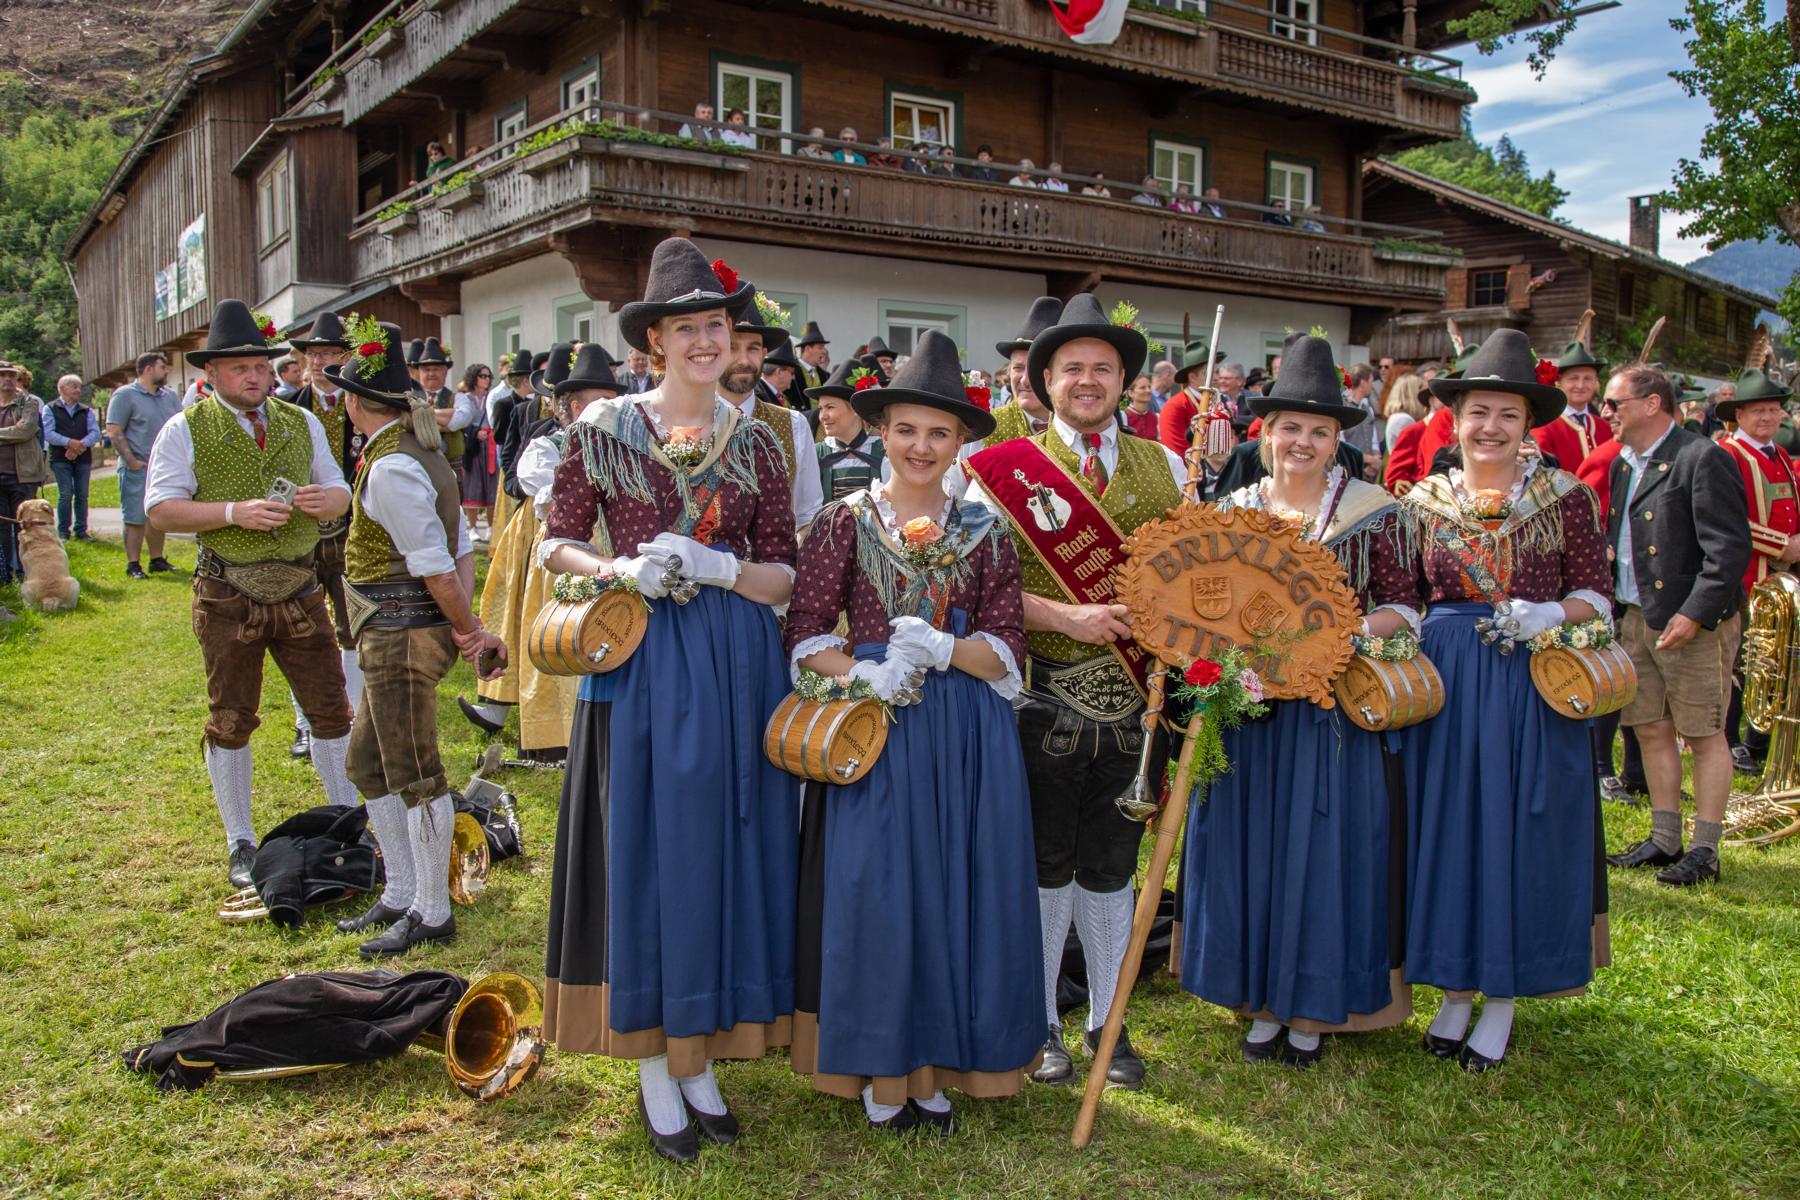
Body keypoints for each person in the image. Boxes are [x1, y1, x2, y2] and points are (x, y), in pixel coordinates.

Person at [538, 239, 800, 1162]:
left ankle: (700, 1058)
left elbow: (784, 574)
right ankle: (655, 1061)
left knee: (727, 851)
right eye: (683, 328)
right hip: (641, 656)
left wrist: (721, 567)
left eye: (715, 325)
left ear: (734, 335)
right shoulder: (603, 429)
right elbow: (554, 543)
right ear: (652, 340)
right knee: (651, 853)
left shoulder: (761, 440)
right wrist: (616, 568)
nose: (702, 341)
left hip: (737, 663)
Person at [786, 330, 1040, 1131]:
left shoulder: (988, 530)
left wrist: (942, 648)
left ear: (961, 441)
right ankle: (881, 1065)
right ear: (882, 432)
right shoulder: (842, 521)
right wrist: (862, 674)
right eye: (905, 430)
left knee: (954, 889)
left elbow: (1007, 652)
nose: (920, 447)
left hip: (964, 735)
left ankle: (935, 1062)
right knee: (880, 893)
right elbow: (804, 632)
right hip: (875, 732)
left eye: (939, 432)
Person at [964, 293, 1188, 1091]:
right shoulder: (995, 470)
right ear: (1044, 380)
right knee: (1044, 864)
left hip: (1138, 703)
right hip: (1039, 697)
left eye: (1102, 368)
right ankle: (1043, 1021)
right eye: (1071, 369)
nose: (1087, 381)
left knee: (1112, 866)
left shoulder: (1168, 467)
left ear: (1124, 381)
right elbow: (977, 586)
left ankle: (1106, 1020)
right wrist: (1065, 614)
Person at [1182, 336, 1420, 1067]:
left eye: (1319, 430)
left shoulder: (1374, 512)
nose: (1303, 442)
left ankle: (1311, 1006)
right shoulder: (1232, 509)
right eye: (1291, 427)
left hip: (1328, 715)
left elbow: (1405, 608)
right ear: (1266, 432)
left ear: (1337, 439)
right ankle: (1256, 998)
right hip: (1249, 715)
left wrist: (1336, 638)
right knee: (1249, 847)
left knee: (1322, 854)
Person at [1400, 330, 1613, 1071]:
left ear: (1528, 426)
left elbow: (1598, 595)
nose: (1490, 427)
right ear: (1455, 419)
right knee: (1448, 829)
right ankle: (1455, 987)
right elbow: (1403, 597)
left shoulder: (1566, 498)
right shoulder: (1421, 501)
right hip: (1447, 683)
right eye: (1478, 412)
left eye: (1507, 415)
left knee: (1518, 828)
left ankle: (1504, 997)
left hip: (1532, 678)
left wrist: (1548, 612)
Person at [143, 300, 359, 886]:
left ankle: (345, 821)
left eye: (261, 366)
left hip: (301, 587)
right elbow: (160, 509)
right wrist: (232, 512)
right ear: (211, 373)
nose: (256, 377)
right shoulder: (183, 428)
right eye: (241, 368)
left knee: (331, 710)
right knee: (231, 716)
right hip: (226, 592)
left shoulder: (300, 421)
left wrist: (326, 500)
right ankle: (239, 840)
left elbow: (340, 489)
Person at [324, 320, 505, 957]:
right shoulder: (414, 453)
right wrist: (461, 626)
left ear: (355, 403)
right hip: (394, 633)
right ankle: (402, 891)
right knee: (368, 765)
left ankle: (432, 911)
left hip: (400, 637)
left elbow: (438, 565)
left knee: (417, 773)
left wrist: (467, 629)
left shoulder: (394, 466)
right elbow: (458, 552)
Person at [1601, 365, 1751, 886]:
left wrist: (1694, 612)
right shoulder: (1624, 463)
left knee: (1704, 733)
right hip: (1637, 615)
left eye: (1615, 403)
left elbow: (1729, 549)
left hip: (1694, 622)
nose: (1606, 413)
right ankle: (1666, 839)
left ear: (1651, 404)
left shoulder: (1702, 457)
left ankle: (1705, 850)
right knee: (1648, 727)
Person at [463, 342, 599, 763]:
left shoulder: (619, 443)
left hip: (599, 548)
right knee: (533, 620)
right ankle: (532, 719)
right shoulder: (542, 434)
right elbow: (525, 475)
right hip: (546, 535)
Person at [285, 311, 363, 759]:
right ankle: (304, 724)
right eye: (313, 354)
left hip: (352, 529)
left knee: (351, 623)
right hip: (300, 530)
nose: (319, 362)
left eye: (329, 353)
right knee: (298, 627)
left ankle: (352, 718)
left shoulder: (362, 403)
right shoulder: (289, 407)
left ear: (345, 357)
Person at [1715, 367, 1800, 775]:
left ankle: (1758, 739)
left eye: (1772, 410)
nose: (1767, 417)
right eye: (1758, 411)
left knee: (1775, 657)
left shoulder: (1779, 453)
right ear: (1740, 415)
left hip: (1781, 579)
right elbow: (1728, 519)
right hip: (1744, 575)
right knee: (1741, 659)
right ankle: (1730, 742)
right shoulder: (1727, 454)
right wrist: (1783, 545)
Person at [724, 292, 822, 528]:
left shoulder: (794, 425)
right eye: (732, 347)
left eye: (753, 348)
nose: (743, 360)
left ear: (764, 353)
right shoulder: (687, 420)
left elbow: (808, 515)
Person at [106, 351, 183, 579]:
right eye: (162, 367)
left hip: (163, 468)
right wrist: (131, 461)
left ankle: (156, 559)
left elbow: (180, 426)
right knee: (135, 517)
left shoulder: (169, 396)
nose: (166, 371)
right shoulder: (125, 395)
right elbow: (115, 430)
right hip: (137, 467)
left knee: (158, 514)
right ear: (148, 369)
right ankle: (133, 564)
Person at [984, 297, 1062, 446]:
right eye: (1018, 368)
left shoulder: (1081, 429)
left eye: (1035, 369)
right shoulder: (986, 428)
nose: (1025, 380)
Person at [1533, 322, 1611, 472]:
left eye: (1588, 378)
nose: (1580, 385)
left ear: (1596, 382)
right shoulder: (1545, 428)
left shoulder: (1605, 428)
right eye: (1573, 378)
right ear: (1559, 383)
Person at [808, 362, 887, 499]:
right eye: (820, 409)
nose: (822, 416)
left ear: (855, 409)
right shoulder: (816, 454)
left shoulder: (883, 451)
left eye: (830, 407)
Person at [0, 363, 48, 585]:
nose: (8, 379)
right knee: (2, 528)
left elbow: (25, 430)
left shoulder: (28, 402)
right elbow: (16, 432)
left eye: (12, 375)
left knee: (25, 526)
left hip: (23, 476)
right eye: (3, 375)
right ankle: (6, 574)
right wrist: (11, 433)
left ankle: (26, 573)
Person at [45, 374, 101, 542]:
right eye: (74, 386)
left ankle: (81, 531)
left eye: (79, 387)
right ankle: (63, 531)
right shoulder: (50, 408)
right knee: (66, 494)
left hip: (82, 458)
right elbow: (48, 433)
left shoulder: (86, 410)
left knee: (82, 495)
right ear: (62, 389)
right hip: (60, 459)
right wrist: (69, 443)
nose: (78, 390)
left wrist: (79, 446)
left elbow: (95, 433)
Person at [458, 363, 498, 540]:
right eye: (482, 376)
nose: (486, 379)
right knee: (472, 485)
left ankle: (490, 527)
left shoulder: (491, 397)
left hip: (490, 445)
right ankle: (472, 527)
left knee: (492, 485)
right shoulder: (466, 398)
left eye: (488, 376)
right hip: (473, 448)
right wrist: (475, 434)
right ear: (474, 378)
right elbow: (461, 423)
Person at [1121, 373, 1158, 440]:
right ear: (1131, 393)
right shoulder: (1124, 417)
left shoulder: (1154, 417)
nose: (1148, 390)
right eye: (1142, 388)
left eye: (1149, 387)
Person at [796, 322, 831, 391]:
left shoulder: (826, 376)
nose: (824, 351)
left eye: (823, 347)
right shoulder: (792, 372)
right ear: (808, 348)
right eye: (820, 347)